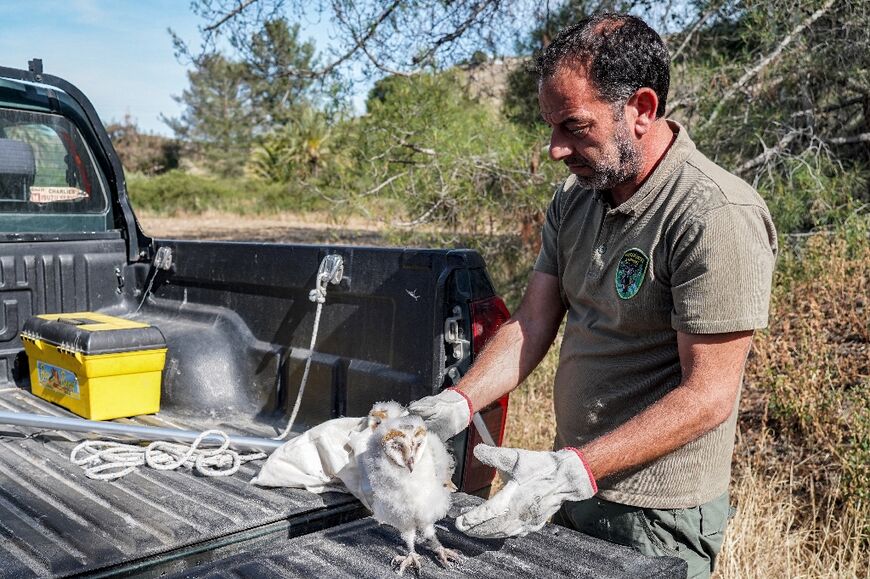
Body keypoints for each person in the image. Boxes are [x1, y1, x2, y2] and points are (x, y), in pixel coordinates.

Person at [409, 13, 777, 578]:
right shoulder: (576, 199)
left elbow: (708, 396)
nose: (556, 149)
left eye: (575, 127)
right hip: (571, 483)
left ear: (642, 110)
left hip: (655, 513)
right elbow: (532, 323)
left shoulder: (715, 214)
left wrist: (571, 470)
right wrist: (458, 402)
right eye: (550, 128)